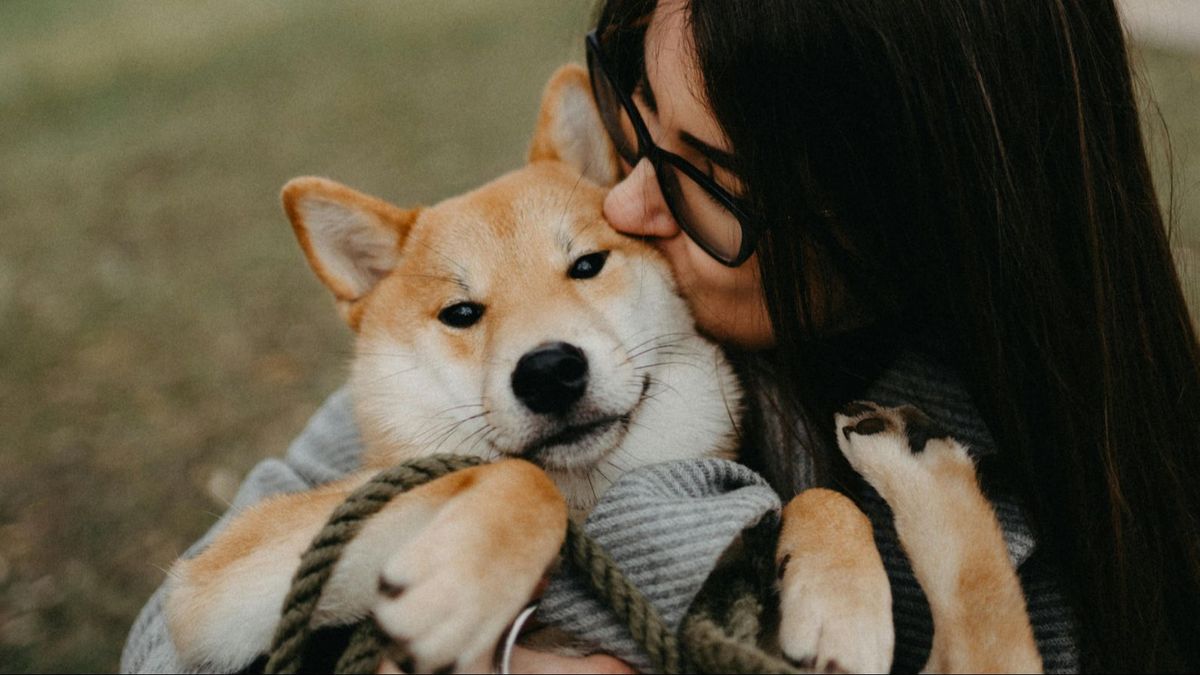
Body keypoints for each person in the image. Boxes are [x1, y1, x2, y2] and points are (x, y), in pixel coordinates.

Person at [123, 0, 1199, 672]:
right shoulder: (467, 410)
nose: (627, 205)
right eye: (635, 126)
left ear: (898, 218)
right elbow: (173, 632)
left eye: (703, 175)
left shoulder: (1082, 540)